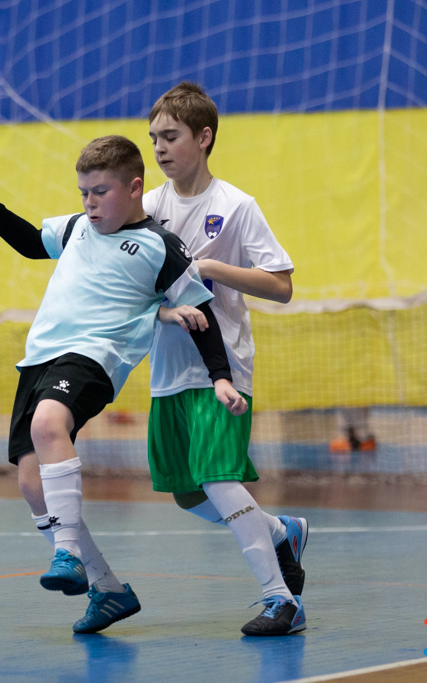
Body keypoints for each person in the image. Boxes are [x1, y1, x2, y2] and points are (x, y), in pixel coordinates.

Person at [0, 135, 248, 634]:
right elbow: (32, 243)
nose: (90, 203)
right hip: (40, 358)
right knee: (31, 484)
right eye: (84, 193)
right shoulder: (76, 228)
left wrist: (220, 377)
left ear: (134, 188)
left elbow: (200, 312)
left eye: (100, 192)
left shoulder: (158, 245)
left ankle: (67, 552)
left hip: (95, 355)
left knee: (49, 425)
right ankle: (108, 590)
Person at [143, 81, 306, 636]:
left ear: (204, 137)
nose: (160, 148)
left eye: (171, 136)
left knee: (217, 478)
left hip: (223, 370)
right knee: (187, 493)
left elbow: (281, 285)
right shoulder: (148, 209)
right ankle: (281, 531)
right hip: (167, 371)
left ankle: (281, 601)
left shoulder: (236, 206)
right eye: (154, 138)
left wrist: (212, 269)